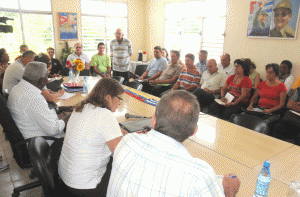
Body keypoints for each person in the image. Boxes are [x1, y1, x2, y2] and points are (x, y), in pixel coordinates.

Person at [107, 90, 241, 197]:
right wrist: (230, 192)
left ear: (153, 121)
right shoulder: (199, 174)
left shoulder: (127, 141)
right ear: (194, 132)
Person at [58, 78, 126, 197]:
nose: (120, 102)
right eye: (119, 98)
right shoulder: (105, 116)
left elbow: (96, 128)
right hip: (85, 187)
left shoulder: (81, 107)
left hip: (66, 178)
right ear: (109, 97)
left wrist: (120, 132)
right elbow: (121, 154)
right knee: (124, 172)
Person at [7, 62, 66, 161]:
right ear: (42, 80)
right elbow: (53, 130)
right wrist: (66, 120)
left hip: (32, 137)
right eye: (47, 76)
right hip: (42, 144)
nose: (47, 80)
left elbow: (37, 112)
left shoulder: (18, 88)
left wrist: (58, 110)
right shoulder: (33, 97)